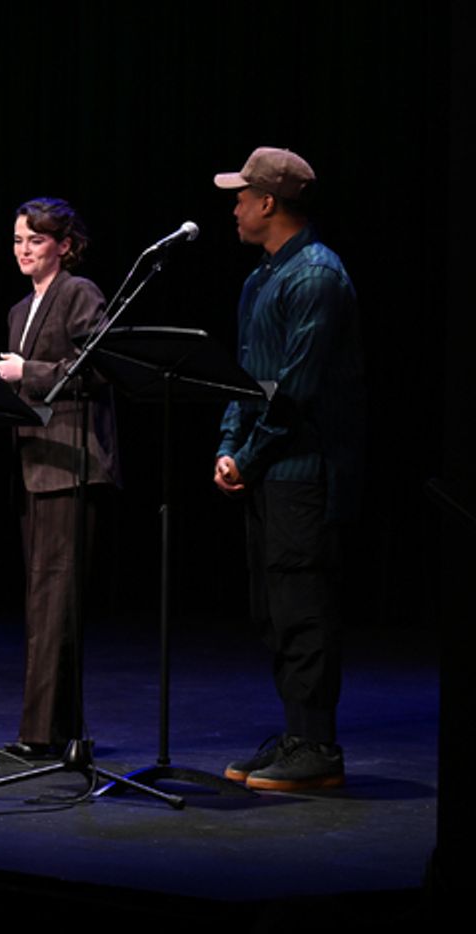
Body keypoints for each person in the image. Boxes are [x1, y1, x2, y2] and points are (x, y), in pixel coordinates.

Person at [211, 147, 364, 792]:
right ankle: (297, 731)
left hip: (303, 470)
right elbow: (246, 375)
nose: (236, 206)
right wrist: (228, 444)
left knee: (303, 605)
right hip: (268, 467)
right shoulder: (260, 279)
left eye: (243, 195)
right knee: (273, 606)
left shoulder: (317, 277)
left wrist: (248, 453)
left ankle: (317, 746)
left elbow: (295, 391)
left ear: (269, 202)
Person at [0, 198, 122, 757]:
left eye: (36, 240)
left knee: (55, 602)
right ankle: (59, 731)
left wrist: (30, 373)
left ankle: (42, 735)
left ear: (64, 246)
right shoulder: (20, 310)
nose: (24, 250)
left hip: (72, 466)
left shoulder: (79, 292)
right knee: (43, 602)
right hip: (35, 464)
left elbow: (99, 366)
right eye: (19, 240)